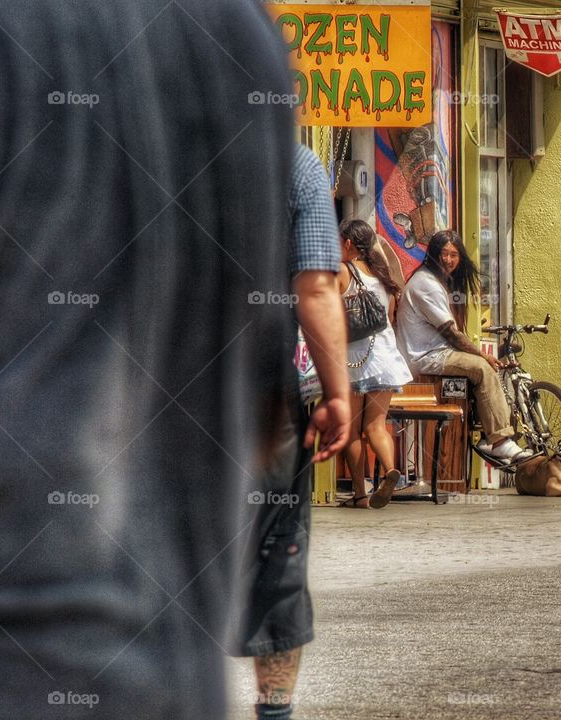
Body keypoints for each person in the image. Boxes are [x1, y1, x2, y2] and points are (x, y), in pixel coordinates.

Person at [0, 1, 336, 718]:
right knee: (279, 566)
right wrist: (337, 391)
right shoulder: (237, 36)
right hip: (165, 675)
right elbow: (267, 372)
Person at [231, 143, 350, 720]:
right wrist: (337, 394)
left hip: (132, 390)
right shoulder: (291, 162)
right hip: (259, 396)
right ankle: (273, 712)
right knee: (276, 553)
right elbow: (316, 288)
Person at [396, 230, 532, 463]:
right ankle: (499, 441)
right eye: (443, 254)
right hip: (425, 357)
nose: (448, 260)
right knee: (481, 367)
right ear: (433, 255)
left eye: (453, 255)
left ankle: (485, 434)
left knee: (481, 368)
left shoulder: (438, 282)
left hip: (437, 353)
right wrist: (482, 355)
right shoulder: (425, 284)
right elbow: (450, 332)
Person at [337, 219, 413, 508]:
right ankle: (390, 469)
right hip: (384, 358)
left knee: (352, 430)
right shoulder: (384, 277)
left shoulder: (344, 272)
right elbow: (390, 320)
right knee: (376, 427)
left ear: (348, 244)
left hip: (354, 362)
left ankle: (359, 494)